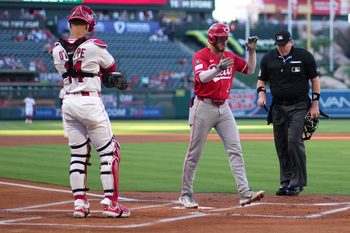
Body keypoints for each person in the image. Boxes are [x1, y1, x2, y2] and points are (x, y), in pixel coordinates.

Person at [49, 5, 130, 218]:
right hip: (90, 102)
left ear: (70, 23)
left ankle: (79, 204)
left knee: (77, 154)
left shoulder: (56, 48)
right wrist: (101, 74)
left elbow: (75, 69)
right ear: (87, 24)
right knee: (110, 151)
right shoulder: (95, 46)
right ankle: (111, 204)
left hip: (68, 102)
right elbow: (111, 69)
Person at [178, 23, 264, 208]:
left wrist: (251, 52)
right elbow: (201, 77)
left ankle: (244, 192)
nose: (224, 41)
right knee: (195, 152)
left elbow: (249, 69)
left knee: (235, 149)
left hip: (224, 108)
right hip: (203, 107)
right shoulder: (200, 56)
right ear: (212, 39)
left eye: (226, 38)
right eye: (221, 38)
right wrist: (217, 68)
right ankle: (185, 194)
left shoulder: (229, 56)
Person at [256, 31, 320, 196]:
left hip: (299, 105)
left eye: (284, 44)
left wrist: (315, 104)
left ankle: (297, 182)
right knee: (281, 145)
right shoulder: (268, 58)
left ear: (291, 42)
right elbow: (262, 79)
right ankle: (286, 181)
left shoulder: (304, 56)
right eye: (278, 45)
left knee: (293, 140)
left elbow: (315, 79)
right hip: (278, 107)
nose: (281, 48)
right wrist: (261, 94)